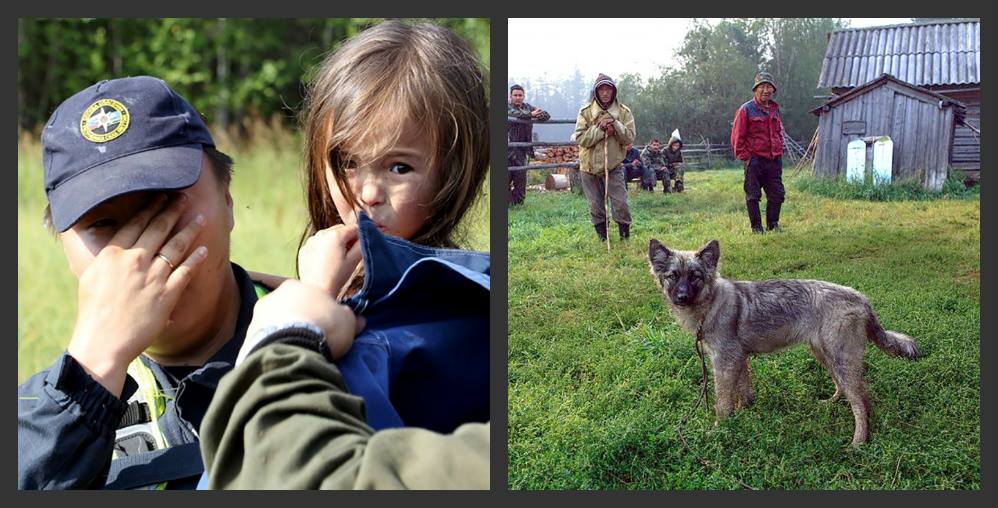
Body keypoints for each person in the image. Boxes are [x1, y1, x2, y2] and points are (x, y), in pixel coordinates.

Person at [199, 21, 490, 489]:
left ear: (455, 169)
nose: (368, 193)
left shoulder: (452, 316)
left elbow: (272, 467)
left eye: (400, 166)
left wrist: (303, 317)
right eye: (348, 162)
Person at [18, 76, 267, 489]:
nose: (141, 254)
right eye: (104, 224)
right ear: (63, 248)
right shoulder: (37, 415)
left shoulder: (322, 339)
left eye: (165, 206)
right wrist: (91, 377)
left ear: (227, 202)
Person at [572, 73, 636, 241]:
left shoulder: (623, 112)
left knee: (620, 203)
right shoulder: (585, 112)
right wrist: (599, 129)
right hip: (589, 168)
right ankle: (603, 237)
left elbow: (629, 137)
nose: (605, 93)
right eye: (602, 89)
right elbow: (580, 138)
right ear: (596, 92)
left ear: (613, 91)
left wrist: (615, 126)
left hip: (613, 166)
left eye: (608, 89)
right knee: (595, 205)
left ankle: (624, 235)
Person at [731, 71, 785, 233]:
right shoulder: (746, 109)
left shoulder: (775, 109)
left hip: (774, 159)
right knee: (753, 195)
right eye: (762, 86)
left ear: (773, 90)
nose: (766, 90)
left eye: (769, 87)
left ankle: (773, 225)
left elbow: (779, 132)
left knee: (777, 194)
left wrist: (779, 149)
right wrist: (747, 158)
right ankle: (756, 228)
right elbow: (737, 137)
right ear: (755, 89)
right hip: (754, 160)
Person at [507, 84, 550, 205]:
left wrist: (540, 115)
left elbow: (546, 115)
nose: (518, 98)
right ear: (511, 96)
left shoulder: (527, 107)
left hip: (522, 149)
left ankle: (518, 203)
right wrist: (531, 115)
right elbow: (514, 114)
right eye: (515, 95)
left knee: (520, 179)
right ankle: (507, 203)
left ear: (523, 96)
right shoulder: (507, 107)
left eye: (520, 95)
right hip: (507, 149)